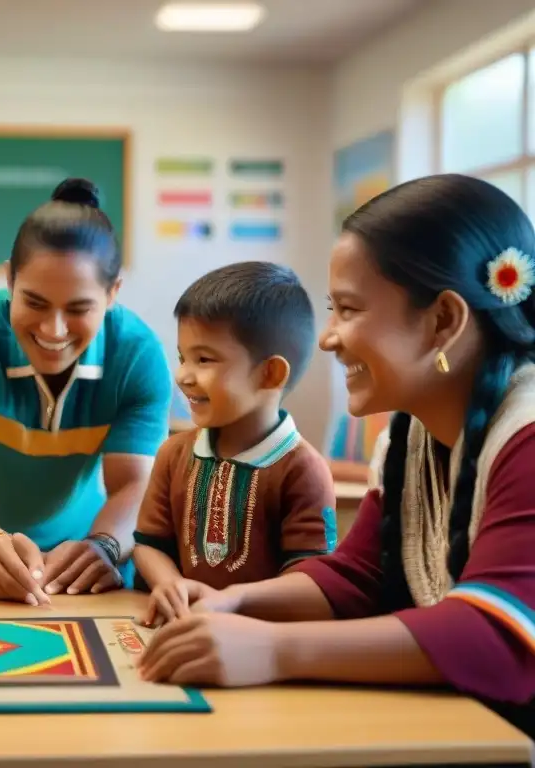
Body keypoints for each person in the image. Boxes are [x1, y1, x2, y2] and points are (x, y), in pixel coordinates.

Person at [136, 174, 535, 737]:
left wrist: (275, 649)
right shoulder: (409, 440)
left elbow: (498, 638)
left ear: (444, 320)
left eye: (348, 310)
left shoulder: (526, 435)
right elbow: (358, 576)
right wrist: (237, 602)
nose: (326, 339)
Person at [0, 178, 173, 604]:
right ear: (9, 279)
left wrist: (104, 546)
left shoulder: (138, 356)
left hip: (73, 548)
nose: (53, 330)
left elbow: (134, 485)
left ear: (113, 292)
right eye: (36, 303)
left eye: (79, 308)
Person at [133, 262, 337, 625]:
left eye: (204, 359)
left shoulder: (302, 469)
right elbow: (149, 545)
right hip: (181, 626)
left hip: (260, 643)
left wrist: (229, 603)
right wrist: (170, 585)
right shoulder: (173, 454)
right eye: (182, 358)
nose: (182, 375)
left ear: (270, 373)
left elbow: (311, 580)